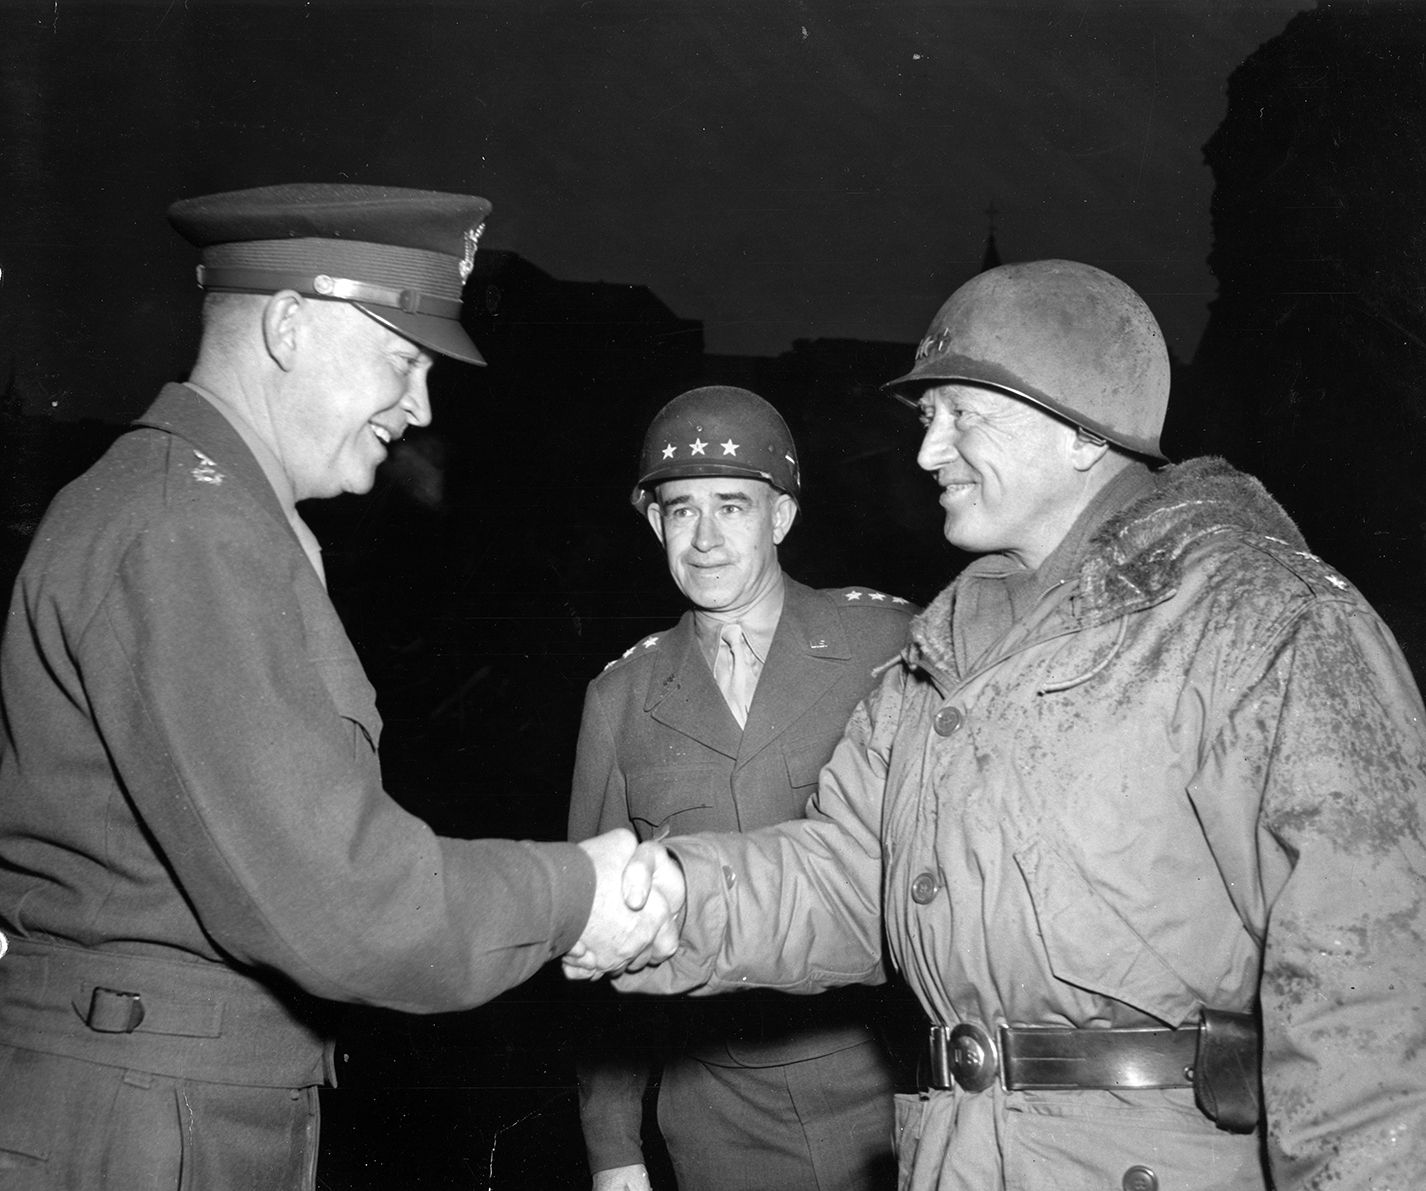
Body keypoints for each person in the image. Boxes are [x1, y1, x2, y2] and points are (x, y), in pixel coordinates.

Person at [581, 260, 1426, 1189]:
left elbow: (1371, 996)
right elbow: (850, 876)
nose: (926, 453)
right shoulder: (934, 661)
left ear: (1076, 432)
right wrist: (660, 899)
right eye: (925, 420)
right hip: (964, 1158)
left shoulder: (1262, 620)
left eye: (959, 417)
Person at [0, 182, 675, 1189]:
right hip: (154, 1123)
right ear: (286, 326)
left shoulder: (207, 514)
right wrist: (580, 893)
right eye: (402, 359)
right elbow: (341, 902)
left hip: (178, 1093)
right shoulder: (190, 531)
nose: (421, 405)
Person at [568, 386, 914, 1191]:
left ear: (781, 517)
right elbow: (593, 935)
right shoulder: (621, 698)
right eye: (681, 510)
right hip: (718, 1114)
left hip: (889, 1089)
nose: (707, 538)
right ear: (655, 524)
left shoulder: (890, 645)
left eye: (733, 506)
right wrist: (613, 1147)